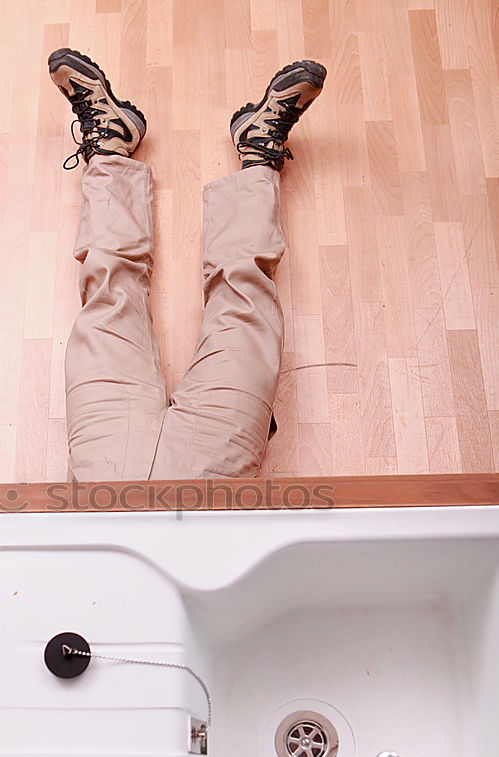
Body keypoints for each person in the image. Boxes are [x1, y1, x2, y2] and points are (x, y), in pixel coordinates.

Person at [48, 48, 326, 482]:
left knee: (107, 289)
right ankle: (258, 157)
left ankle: (109, 146)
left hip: (106, 486)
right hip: (211, 488)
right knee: (246, 297)